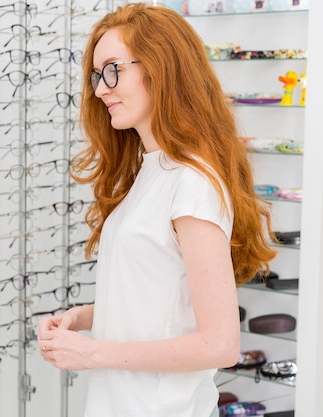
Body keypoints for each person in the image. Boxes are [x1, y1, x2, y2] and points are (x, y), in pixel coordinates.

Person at [37, 4, 276, 417]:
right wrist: (87, 317)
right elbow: (163, 298)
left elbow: (220, 344)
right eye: (97, 75)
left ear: (161, 66)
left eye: (113, 69)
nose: (100, 89)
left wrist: (92, 354)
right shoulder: (154, 169)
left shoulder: (190, 182)